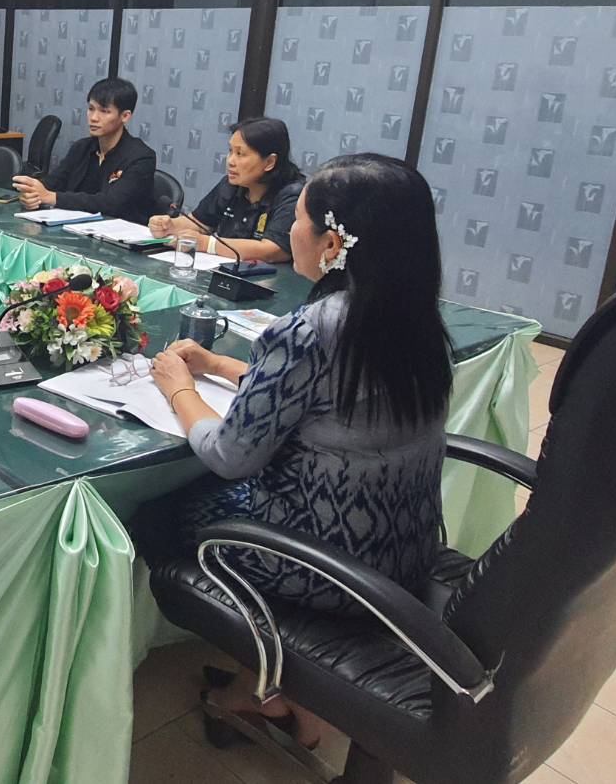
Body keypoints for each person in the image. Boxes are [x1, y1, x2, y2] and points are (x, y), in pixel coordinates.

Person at [134, 153, 454, 747]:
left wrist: (179, 388)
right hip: (405, 550)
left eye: (299, 221)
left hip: (322, 565)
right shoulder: (416, 318)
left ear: (333, 244)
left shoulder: (311, 329)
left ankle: (270, 676)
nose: (291, 234)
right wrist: (224, 366)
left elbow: (230, 455)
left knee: (157, 509)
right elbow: (332, 402)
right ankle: (277, 682)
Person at [148, 117, 304, 263]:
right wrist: (169, 226)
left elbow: (273, 250)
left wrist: (208, 244)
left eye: (240, 154)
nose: (230, 161)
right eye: (230, 151)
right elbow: (199, 222)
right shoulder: (232, 184)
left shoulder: (293, 195)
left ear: (269, 162)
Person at [10, 77, 156, 222]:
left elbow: (112, 203)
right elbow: (54, 182)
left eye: (104, 111)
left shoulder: (141, 157)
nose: (94, 118)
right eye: (91, 109)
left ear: (125, 116)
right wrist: (32, 194)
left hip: (120, 232)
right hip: (76, 227)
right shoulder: (82, 148)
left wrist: (51, 197)